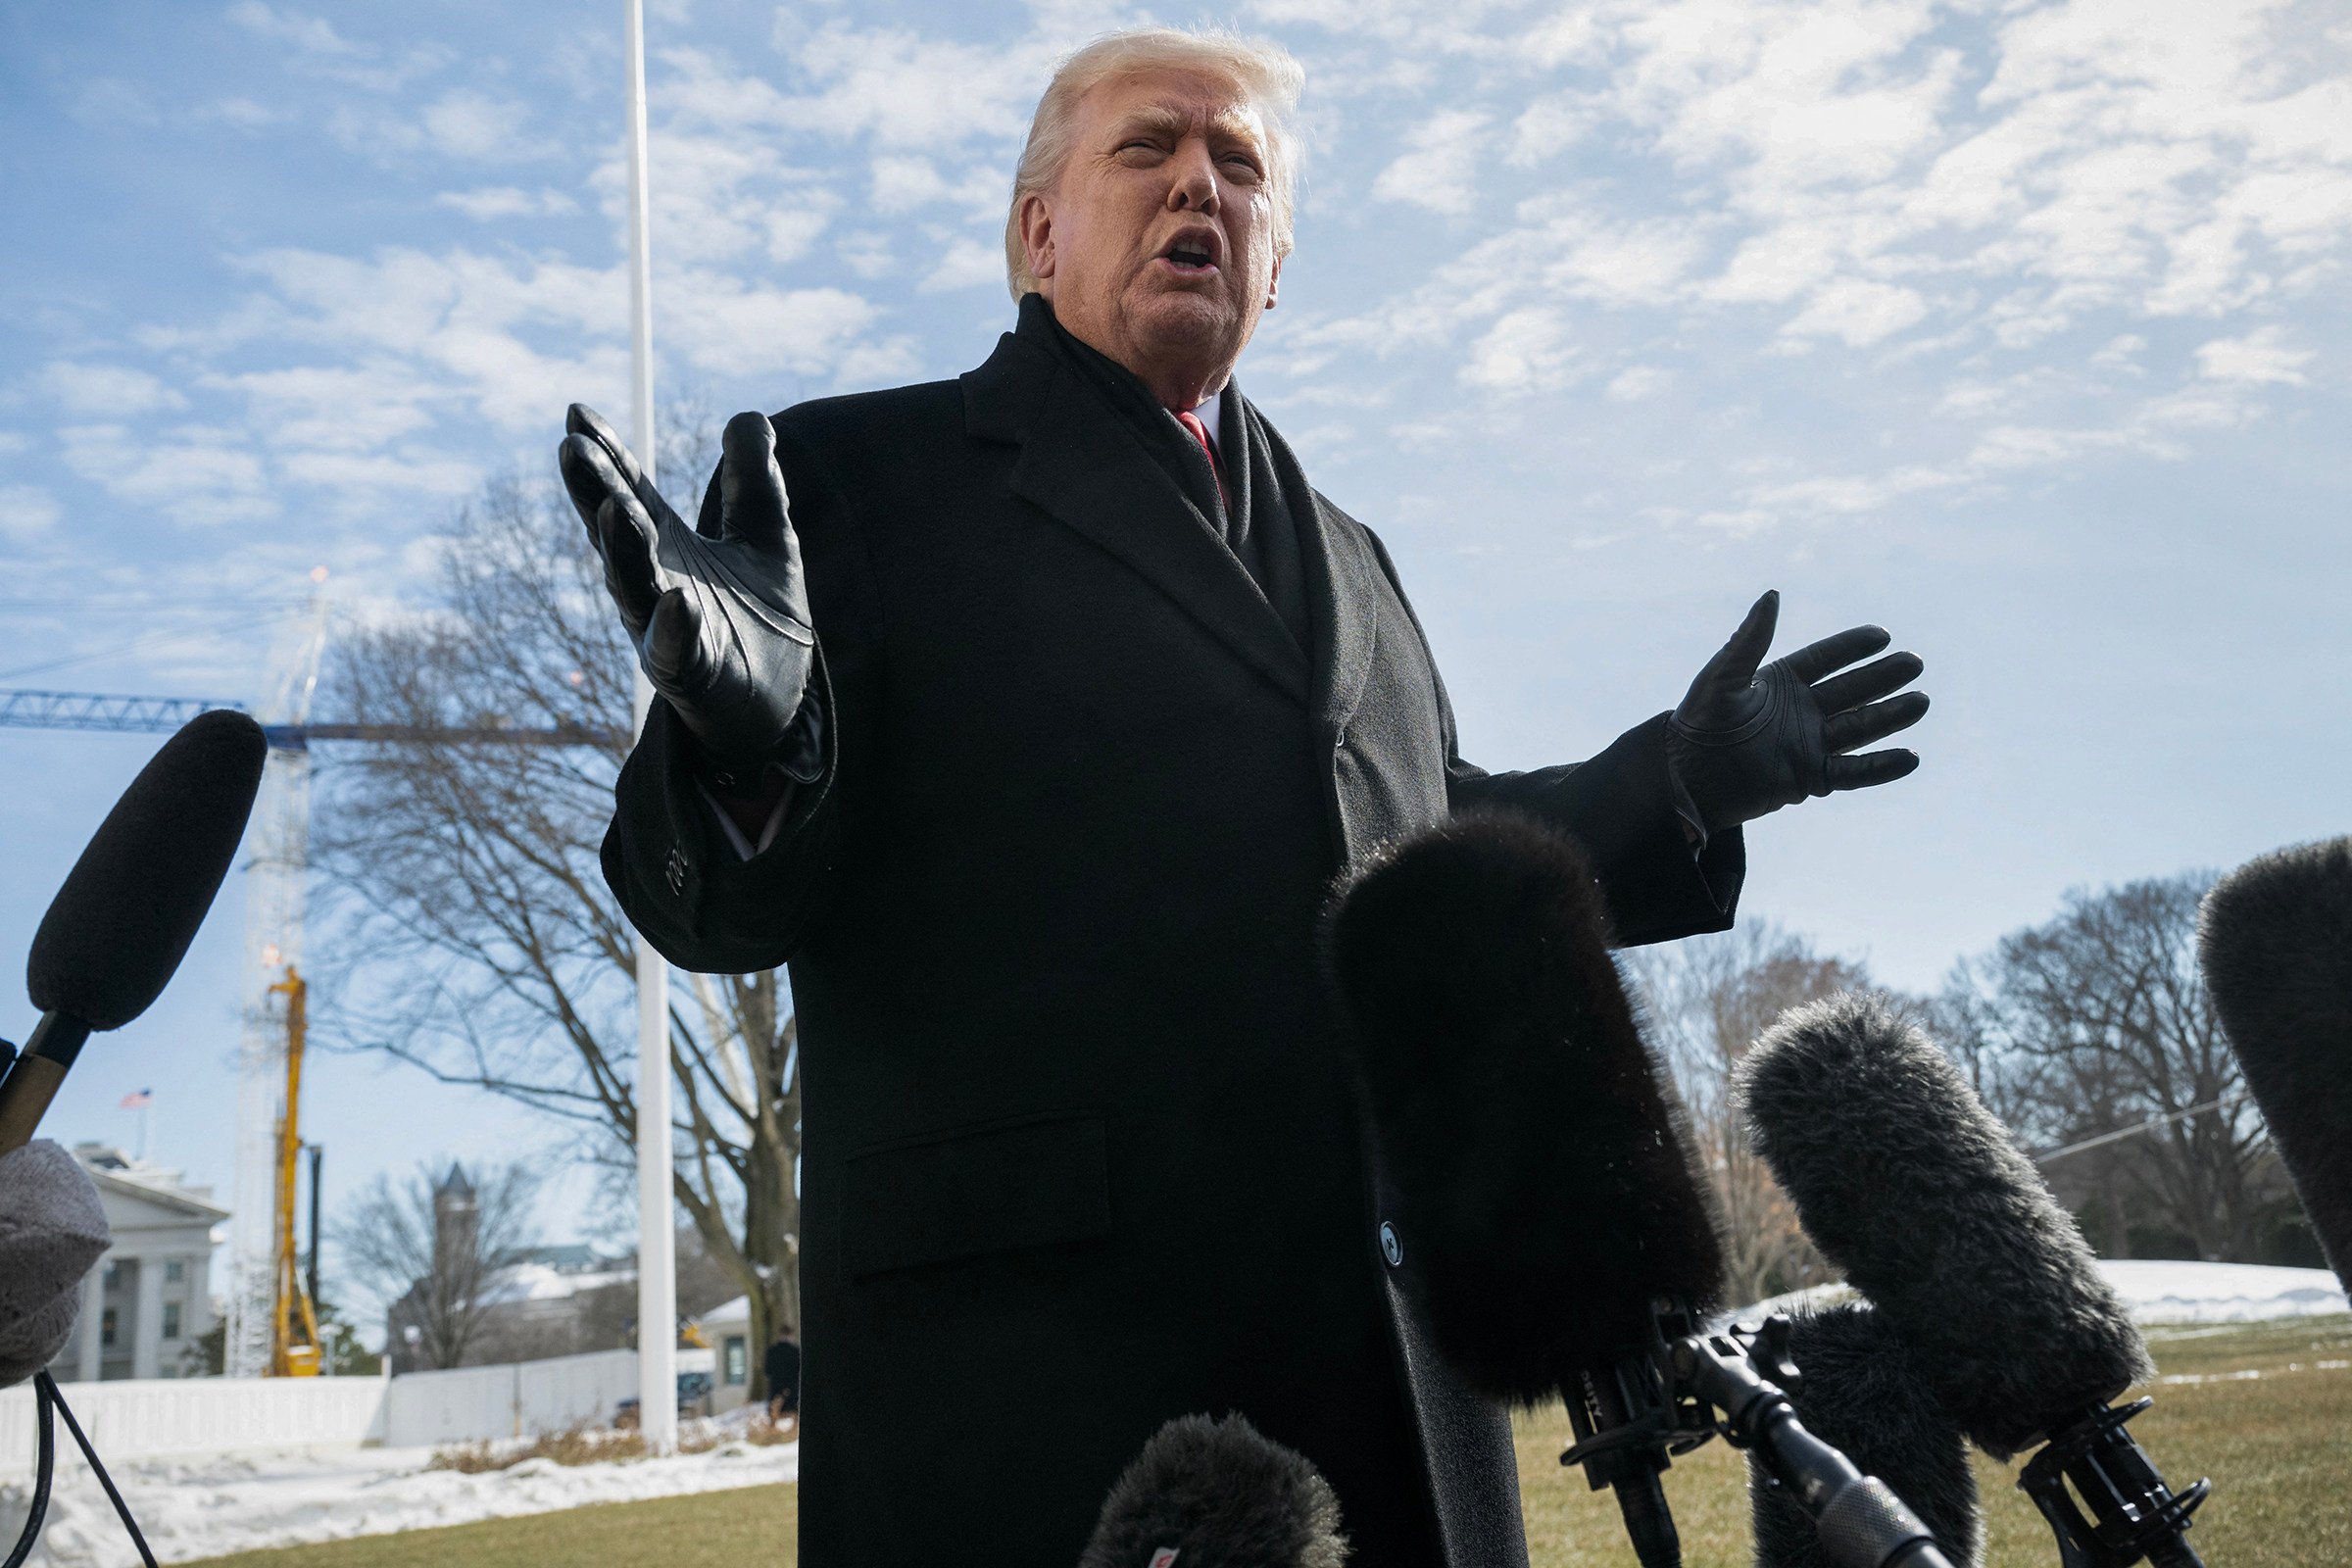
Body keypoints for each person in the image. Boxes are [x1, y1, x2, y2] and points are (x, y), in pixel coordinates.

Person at [560, 26, 1928, 1565]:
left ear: (1274, 265)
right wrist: (750, 748)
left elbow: (1428, 859)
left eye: (1240, 168)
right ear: (1038, 231)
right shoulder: (852, 482)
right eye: (1147, 150)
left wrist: (1677, 783)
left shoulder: (1355, 555)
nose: (1197, 185)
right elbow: (708, 904)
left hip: (1401, 1383)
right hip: (1044, 1395)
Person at [763, 1331, 801, 1427]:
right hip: (791, 1387)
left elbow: (767, 1370)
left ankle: (772, 1431)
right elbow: (798, 1370)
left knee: (774, 1411)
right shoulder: (796, 1351)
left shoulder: (771, 1351)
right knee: (794, 1412)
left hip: (776, 1386)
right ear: (791, 1335)